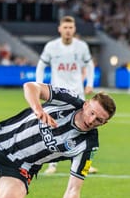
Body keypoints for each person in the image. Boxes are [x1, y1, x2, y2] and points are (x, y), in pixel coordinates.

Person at [35, 15, 97, 174]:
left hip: (77, 93)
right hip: (58, 94)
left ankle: (84, 163)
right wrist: (38, 86)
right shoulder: (51, 46)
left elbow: (89, 65)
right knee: (53, 128)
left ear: (74, 29)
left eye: (71, 28)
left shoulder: (81, 46)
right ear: (60, 29)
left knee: (84, 128)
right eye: (65, 27)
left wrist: (90, 83)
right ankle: (52, 164)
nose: (68, 31)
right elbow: (41, 66)